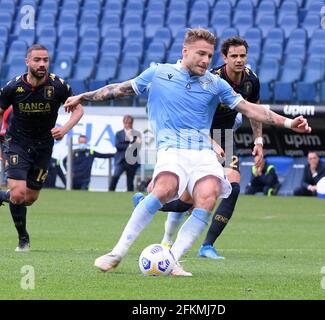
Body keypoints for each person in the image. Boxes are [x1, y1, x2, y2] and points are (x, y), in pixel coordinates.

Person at [64, 28, 311, 276]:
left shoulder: (215, 83)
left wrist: (289, 123)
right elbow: (118, 89)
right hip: (172, 148)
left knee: (208, 194)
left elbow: (251, 109)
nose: (206, 60)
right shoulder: (159, 73)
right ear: (185, 51)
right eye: (201, 54)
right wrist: (83, 96)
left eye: (209, 55)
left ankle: (171, 260)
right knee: (166, 188)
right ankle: (116, 253)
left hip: (203, 151)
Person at [158, 36, 264, 259]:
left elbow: (255, 110)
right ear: (224, 58)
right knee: (187, 199)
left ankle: (207, 246)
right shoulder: (209, 79)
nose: (239, 60)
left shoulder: (251, 81)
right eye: (233, 56)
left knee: (233, 188)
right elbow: (192, 113)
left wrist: (259, 142)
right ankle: (166, 237)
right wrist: (210, 141)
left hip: (224, 135)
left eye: (242, 55)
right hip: (198, 135)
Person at [0, 44, 84, 251]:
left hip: (43, 146)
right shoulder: (13, 87)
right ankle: (23, 239)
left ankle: (2, 196)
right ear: (27, 62)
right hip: (17, 143)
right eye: (37, 60)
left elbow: (78, 110)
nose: (42, 64)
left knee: (29, 199)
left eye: (45, 60)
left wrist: (64, 129)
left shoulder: (59, 86)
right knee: (18, 194)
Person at [109, 115, 141, 192]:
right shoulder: (119, 133)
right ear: (123, 123)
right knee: (115, 176)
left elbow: (138, 147)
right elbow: (117, 146)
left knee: (130, 181)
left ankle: (129, 196)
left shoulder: (136, 133)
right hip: (121, 160)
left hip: (132, 160)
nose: (127, 125)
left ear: (132, 123)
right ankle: (110, 192)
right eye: (126, 123)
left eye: (129, 123)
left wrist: (130, 143)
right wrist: (130, 144)